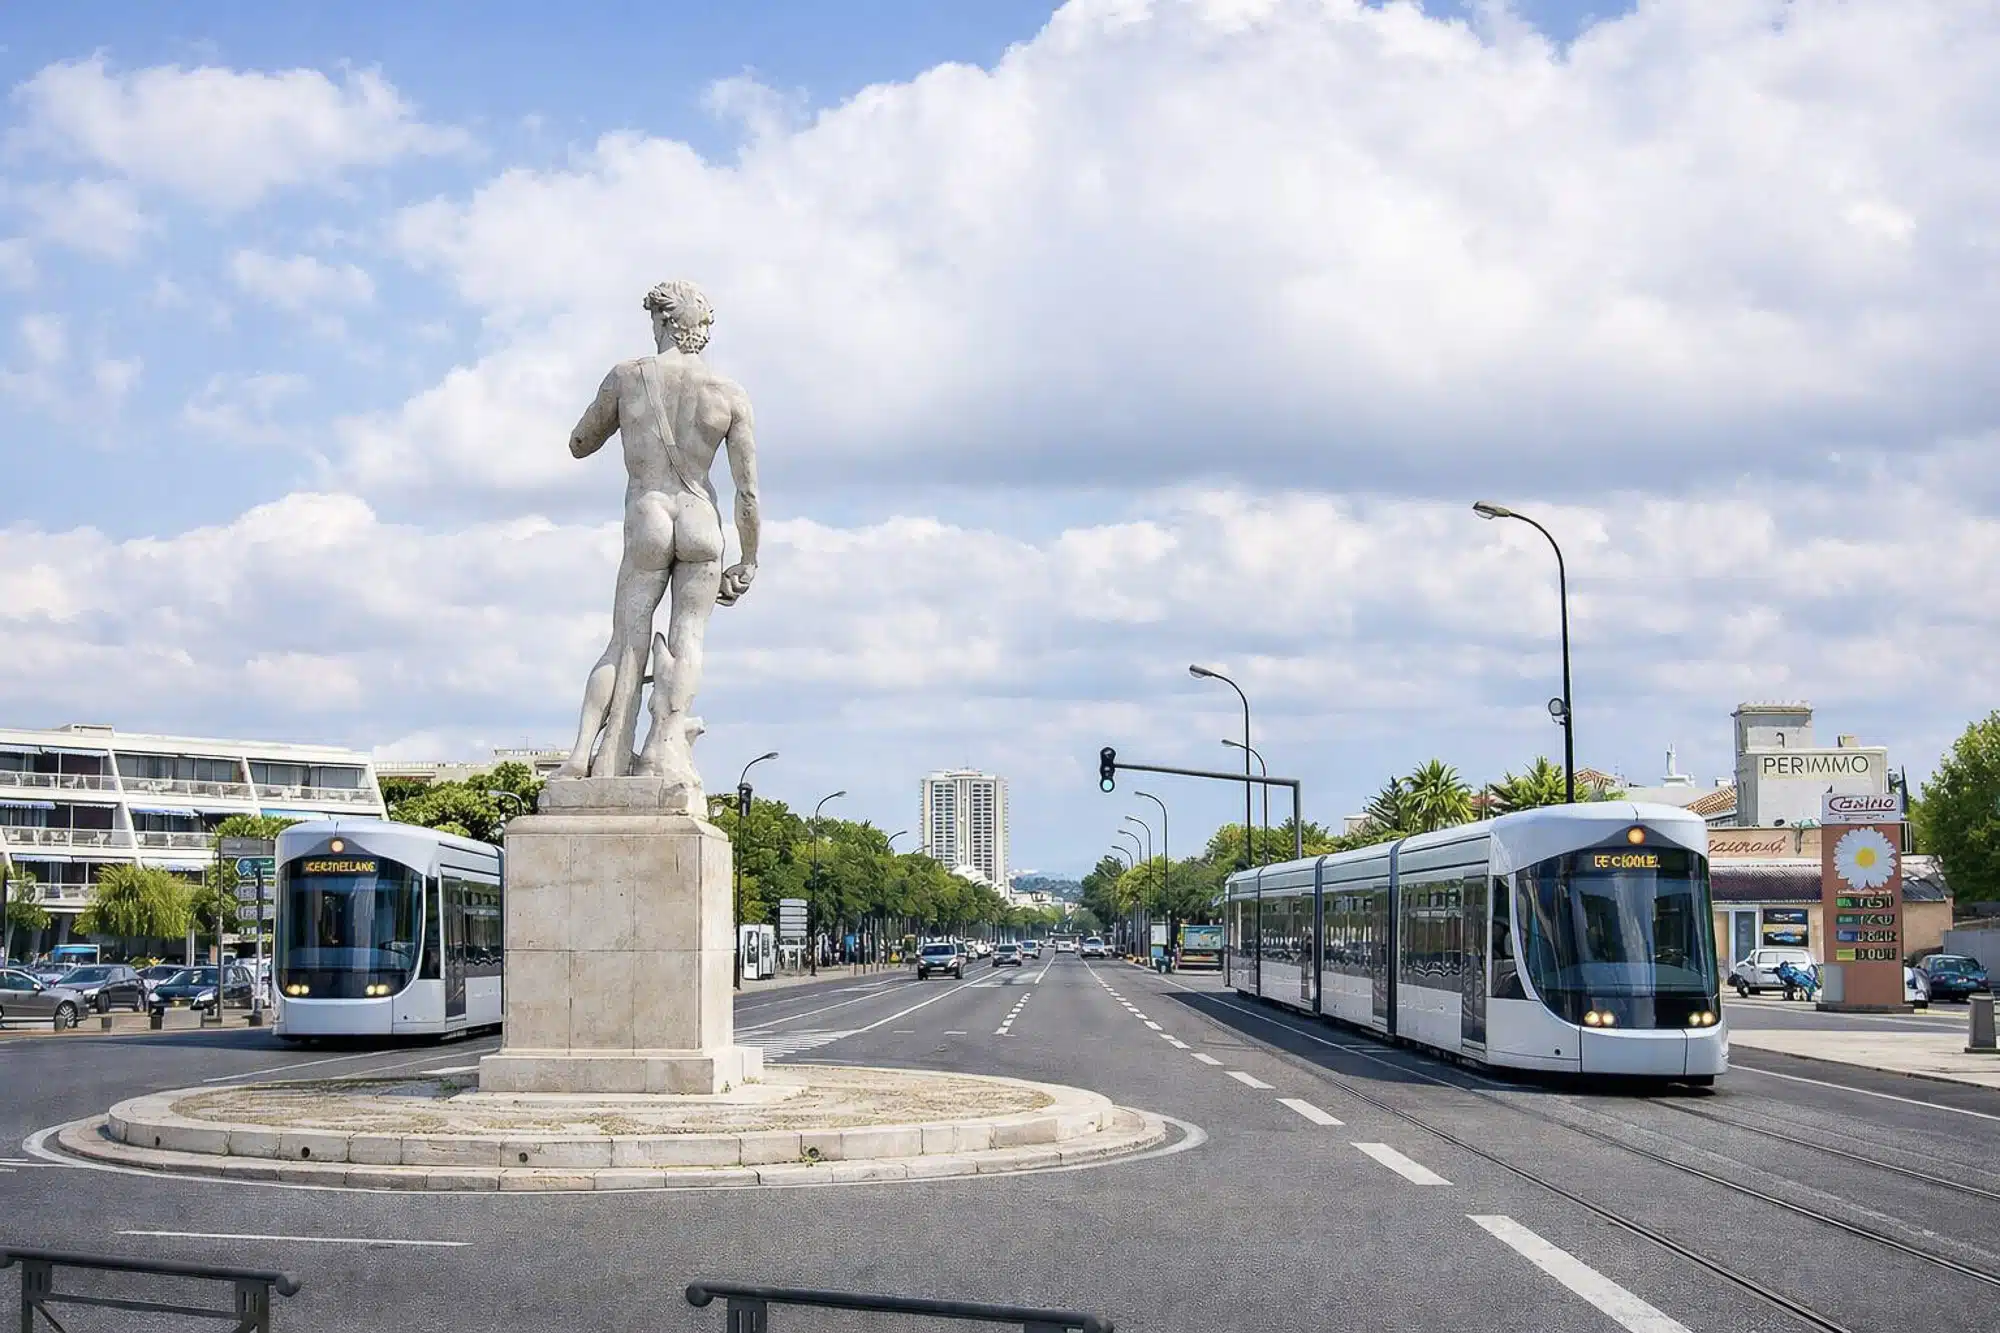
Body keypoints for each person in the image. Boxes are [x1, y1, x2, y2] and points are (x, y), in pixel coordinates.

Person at [554, 280, 761, 784]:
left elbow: (580, 442)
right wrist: (749, 559)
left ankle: (585, 757)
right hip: (700, 517)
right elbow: (748, 493)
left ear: (665, 323)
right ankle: (661, 751)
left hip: (649, 510)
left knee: (625, 642)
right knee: (689, 639)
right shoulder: (729, 394)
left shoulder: (628, 377)